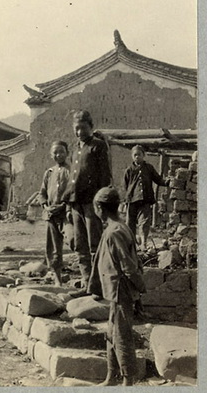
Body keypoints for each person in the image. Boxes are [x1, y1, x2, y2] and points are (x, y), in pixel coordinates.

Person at [88, 187, 146, 386]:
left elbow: (128, 265)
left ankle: (128, 380)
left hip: (122, 290)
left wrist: (139, 289)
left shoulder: (115, 232)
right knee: (111, 332)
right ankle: (111, 376)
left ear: (99, 208)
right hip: (115, 291)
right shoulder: (117, 228)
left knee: (121, 336)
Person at [64, 110, 112, 287]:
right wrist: (69, 204)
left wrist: (100, 202)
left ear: (90, 127)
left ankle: (98, 284)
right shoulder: (76, 147)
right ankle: (86, 283)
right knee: (80, 244)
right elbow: (72, 178)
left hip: (91, 203)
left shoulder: (98, 145)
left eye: (83, 128)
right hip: (76, 202)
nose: (79, 132)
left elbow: (104, 176)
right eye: (76, 128)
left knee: (95, 244)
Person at [37, 141, 71, 286]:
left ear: (67, 153)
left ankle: (86, 276)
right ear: (51, 155)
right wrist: (45, 206)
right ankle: (57, 277)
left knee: (75, 240)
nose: (58, 155)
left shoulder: (71, 171)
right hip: (51, 215)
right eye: (55, 152)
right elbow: (42, 192)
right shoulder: (49, 173)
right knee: (53, 248)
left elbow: (74, 192)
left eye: (61, 152)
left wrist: (64, 206)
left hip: (66, 214)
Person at [123, 145, 169, 251]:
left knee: (144, 222)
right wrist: (129, 195)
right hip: (132, 200)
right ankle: (131, 244)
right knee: (130, 223)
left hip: (145, 200)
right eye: (135, 155)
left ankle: (143, 243)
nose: (137, 157)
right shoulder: (129, 170)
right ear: (132, 157)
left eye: (139, 155)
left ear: (144, 155)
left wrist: (166, 182)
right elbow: (125, 184)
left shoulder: (149, 168)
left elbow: (157, 179)